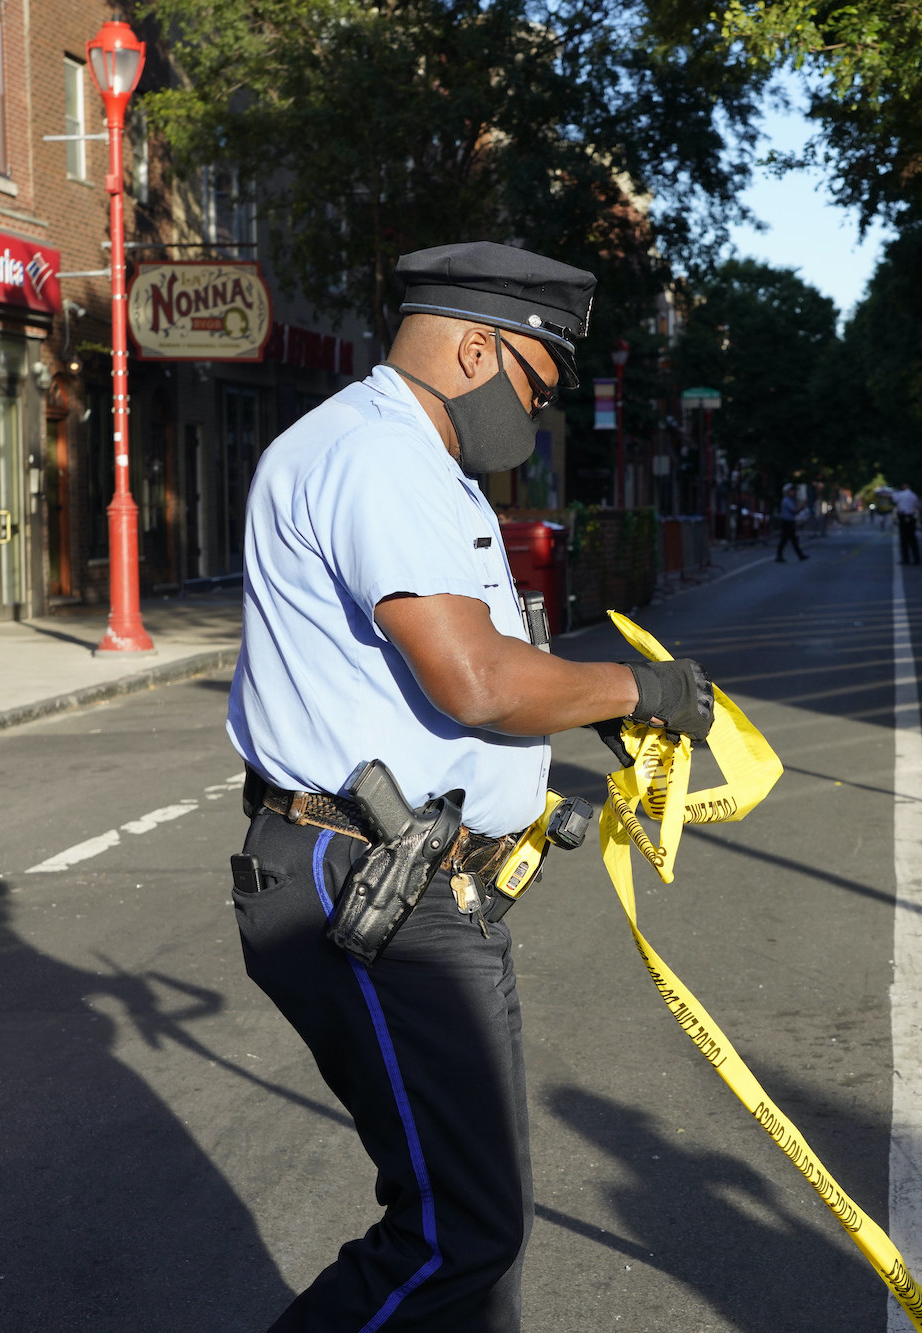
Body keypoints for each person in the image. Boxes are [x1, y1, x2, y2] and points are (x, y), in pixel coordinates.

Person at [226, 241, 716, 1333]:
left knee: (476, 1235)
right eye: (536, 390)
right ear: (476, 347)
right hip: (369, 888)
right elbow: (475, 678)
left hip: (416, 884)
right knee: (458, 1231)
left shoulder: (410, 460)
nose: (535, 419)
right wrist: (633, 690)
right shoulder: (379, 458)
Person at [775, 486, 808, 562]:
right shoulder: (786, 501)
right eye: (792, 491)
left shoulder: (791, 500)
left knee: (792, 540)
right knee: (785, 540)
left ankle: (800, 555)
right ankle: (779, 556)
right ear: (787, 492)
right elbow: (794, 510)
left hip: (790, 522)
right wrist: (802, 505)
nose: (794, 492)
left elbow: (796, 510)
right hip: (787, 522)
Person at [893, 482, 922, 565]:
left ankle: (906, 559)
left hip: (903, 517)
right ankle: (916, 559)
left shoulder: (901, 494)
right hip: (911, 518)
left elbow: (893, 499)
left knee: (904, 540)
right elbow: (917, 506)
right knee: (913, 539)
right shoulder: (913, 495)